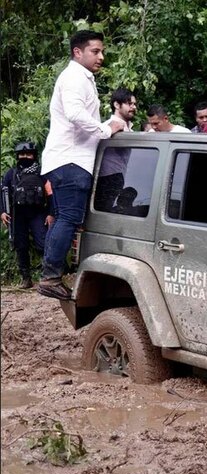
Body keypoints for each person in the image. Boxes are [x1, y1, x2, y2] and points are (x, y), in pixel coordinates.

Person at [38, 30, 125, 300]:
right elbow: (76, 114)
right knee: (69, 217)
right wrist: (106, 128)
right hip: (71, 159)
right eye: (95, 51)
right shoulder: (74, 77)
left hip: (71, 159)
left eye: (102, 51)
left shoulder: (81, 78)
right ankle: (50, 276)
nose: (101, 56)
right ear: (78, 52)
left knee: (67, 216)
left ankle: (51, 274)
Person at [1, 142, 53, 289]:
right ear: (18, 156)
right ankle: (26, 279)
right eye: (22, 154)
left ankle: (48, 277)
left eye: (28, 154)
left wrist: (50, 213)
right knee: (20, 246)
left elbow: (50, 195)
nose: (25, 157)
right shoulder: (11, 174)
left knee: (43, 243)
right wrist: (2, 212)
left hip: (38, 213)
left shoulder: (42, 173)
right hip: (17, 215)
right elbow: (3, 193)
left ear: (34, 155)